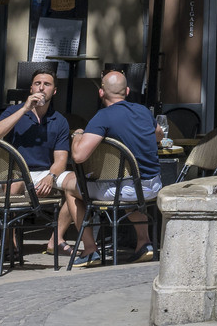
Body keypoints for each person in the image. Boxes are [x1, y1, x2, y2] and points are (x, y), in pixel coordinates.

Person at [69, 67, 163, 264]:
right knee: (129, 186)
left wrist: (77, 135)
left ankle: (89, 249)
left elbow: (78, 156)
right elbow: (159, 135)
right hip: (153, 187)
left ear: (101, 93)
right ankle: (144, 243)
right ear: (127, 92)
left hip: (124, 189)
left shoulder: (103, 116)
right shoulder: (144, 111)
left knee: (69, 185)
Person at [0, 68, 78, 252]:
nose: (41, 88)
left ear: (54, 91)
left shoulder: (59, 120)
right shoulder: (14, 111)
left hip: (44, 173)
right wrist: (24, 109)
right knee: (14, 183)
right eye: (37, 83)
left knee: (77, 183)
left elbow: (61, 159)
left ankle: (56, 239)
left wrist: (51, 177)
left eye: (46, 84)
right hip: (13, 172)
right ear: (31, 88)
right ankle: (9, 240)